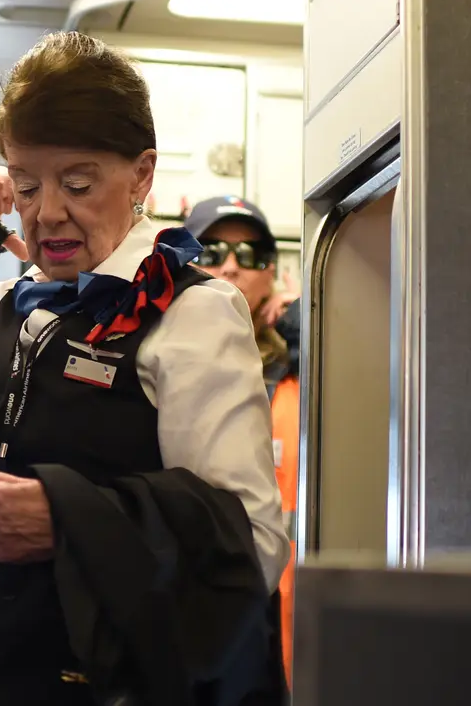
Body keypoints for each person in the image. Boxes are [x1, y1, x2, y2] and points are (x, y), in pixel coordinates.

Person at [0, 32, 289, 705]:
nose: (49, 213)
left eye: (79, 183)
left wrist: (72, 521)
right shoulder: (2, 308)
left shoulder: (191, 314)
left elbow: (251, 542)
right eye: (27, 185)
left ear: (142, 176)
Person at [188, 196, 301, 688]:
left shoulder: (304, 371)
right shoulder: (148, 362)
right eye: (212, 251)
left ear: (271, 274)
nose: (232, 265)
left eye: (250, 255)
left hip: (286, 630)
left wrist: (312, 317)